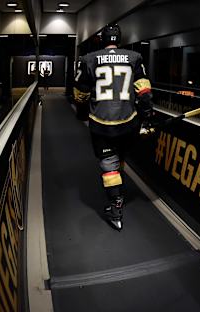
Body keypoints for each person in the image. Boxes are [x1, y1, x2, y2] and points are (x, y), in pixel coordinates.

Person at [73, 23, 153, 230]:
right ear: (120, 39)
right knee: (120, 158)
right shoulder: (134, 58)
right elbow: (144, 92)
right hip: (128, 122)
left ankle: (116, 207)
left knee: (109, 164)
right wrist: (146, 118)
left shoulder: (89, 59)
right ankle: (119, 189)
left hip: (101, 123)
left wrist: (81, 114)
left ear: (102, 40)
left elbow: (80, 93)